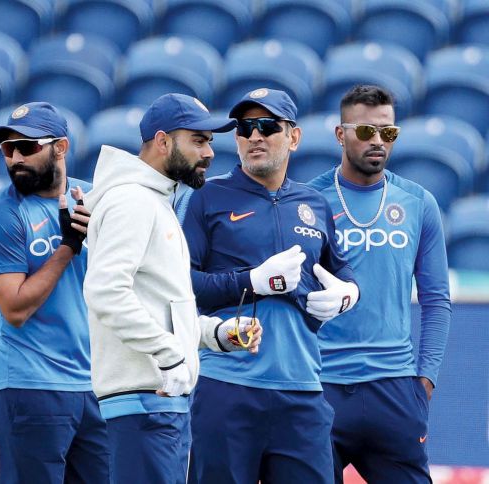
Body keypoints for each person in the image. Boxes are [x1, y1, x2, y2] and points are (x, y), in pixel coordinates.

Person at [179, 88, 360, 484]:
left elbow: (345, 275)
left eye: (267, 126)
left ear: (293, 137)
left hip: (303, 391)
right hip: (227, 386)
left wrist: (348, 295)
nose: (254, 136)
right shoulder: (206, 198)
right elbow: (182, 286)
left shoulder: (315, 203)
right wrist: (251, 282)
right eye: (244, 129)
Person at [82, 93, 262, 484]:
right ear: (163, 142)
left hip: (160, 403)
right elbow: (105, 291)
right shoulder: (132, 201)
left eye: (210, 141)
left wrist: (214, 334)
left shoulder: (154, 202)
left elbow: (158, 303)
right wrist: (169, 355)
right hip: (145, 404)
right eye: (198, 140)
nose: (210, 152)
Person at [307, 84, 452, 484]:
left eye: (388, 133)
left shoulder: (418, 202)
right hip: (322, 388)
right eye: (366, 131)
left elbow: (437, 299)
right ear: (341, 134)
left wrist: (425, 381)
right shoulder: (308, 202)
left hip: (394, 389)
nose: (378, 142)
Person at [0, 102, 108, 483]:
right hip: (30, 385)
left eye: (28, 148)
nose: (15, 158)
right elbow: (15, 308)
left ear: (61, 148)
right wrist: (67, 247)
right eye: (7, 149)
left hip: (98, 385)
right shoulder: (2, 214)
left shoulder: (97, 201)